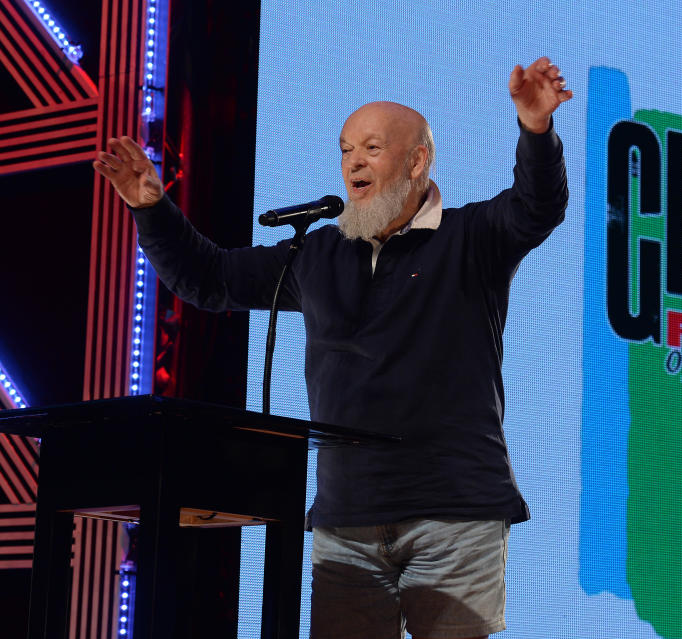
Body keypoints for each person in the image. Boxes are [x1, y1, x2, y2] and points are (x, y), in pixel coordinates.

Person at [92, 57, 572, 639]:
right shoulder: (317, 254)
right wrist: (151, 208)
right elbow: (209, 279)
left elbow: (536, 207)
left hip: (454, 512)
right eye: (346, 150)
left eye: (371, 148)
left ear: (418, 160)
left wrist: (536, 130)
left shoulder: (471, 238)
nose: (354, 164)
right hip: (347, 521)